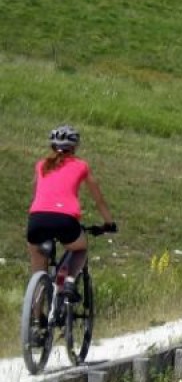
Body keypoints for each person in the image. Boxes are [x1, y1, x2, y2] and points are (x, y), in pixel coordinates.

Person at [25, 124, 117, 300]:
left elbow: (38, 193)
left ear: (52, 146)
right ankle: (68, 281)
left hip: (36, 219)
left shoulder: (41, 165)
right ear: (74, 147)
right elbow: (99, 200)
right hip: (65, 219)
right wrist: (109, 224)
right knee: (80, 248)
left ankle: (36, 320)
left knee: (37, 269)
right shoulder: (81, 166)